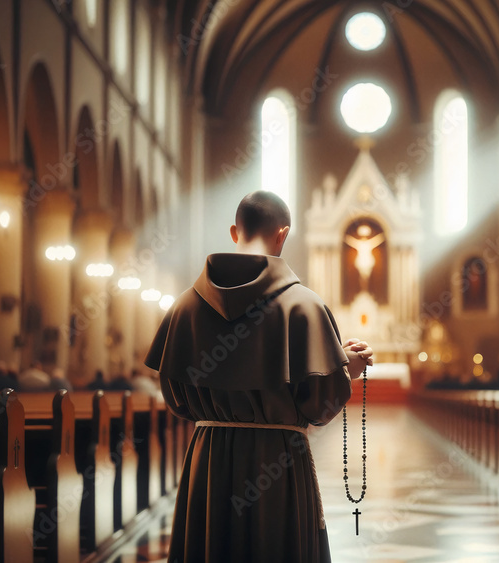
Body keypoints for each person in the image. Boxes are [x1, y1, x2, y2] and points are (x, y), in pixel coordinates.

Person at [146, 191, 372, 562]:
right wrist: (347, 369)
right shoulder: (304, 307)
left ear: (235, 231)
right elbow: (318, 406)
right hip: (277, 464)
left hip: (209, 460)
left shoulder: (185, 306)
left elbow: (178, 399)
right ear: (282, 235)